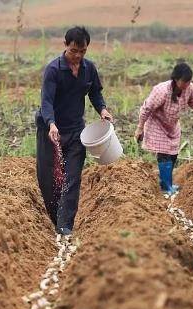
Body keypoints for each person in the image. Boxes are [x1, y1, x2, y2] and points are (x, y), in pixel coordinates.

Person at [35, 26, 113, 236]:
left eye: (82, 51)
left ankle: (65, 225)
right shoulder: (53, 70)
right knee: (48, 180)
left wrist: (103, 110)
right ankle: (54, 219)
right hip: (50, 129)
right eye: (73, 51)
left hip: (76, 130)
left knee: (72, 178)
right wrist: (51, 124)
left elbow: (95, 94)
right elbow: (46, 102)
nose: (78, 56)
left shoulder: (89, 69)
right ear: (65, 46)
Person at [135, 63, 193, 194]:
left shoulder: (189, 88)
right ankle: (166, 188)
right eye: (184, 81)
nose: (186, 84)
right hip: (157, 123)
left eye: (189, 81)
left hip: (172, 125)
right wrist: (140, 128)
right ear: (176, 79)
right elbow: (147, 108)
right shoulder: (161, 90)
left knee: (173, 154)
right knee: (164, 154)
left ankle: (166, 183)